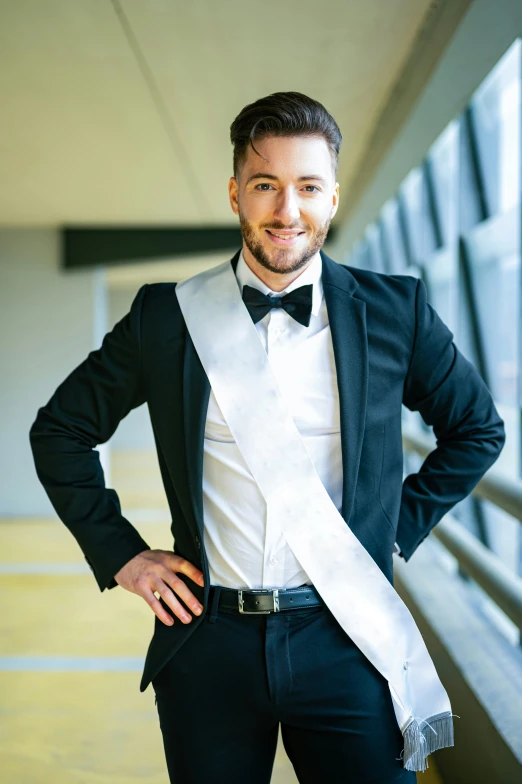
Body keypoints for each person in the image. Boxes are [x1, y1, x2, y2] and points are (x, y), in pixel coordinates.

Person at [29, 92, 505, 784]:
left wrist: (393, 529)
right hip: (208, 640)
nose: (288, 210)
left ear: (334, 197)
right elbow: (61, 430)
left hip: (349, 639)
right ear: (235, 195)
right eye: (265, 185)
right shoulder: (166, 318)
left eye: (308, 187)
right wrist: (123, 555)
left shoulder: (395, 310)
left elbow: (477, 429)